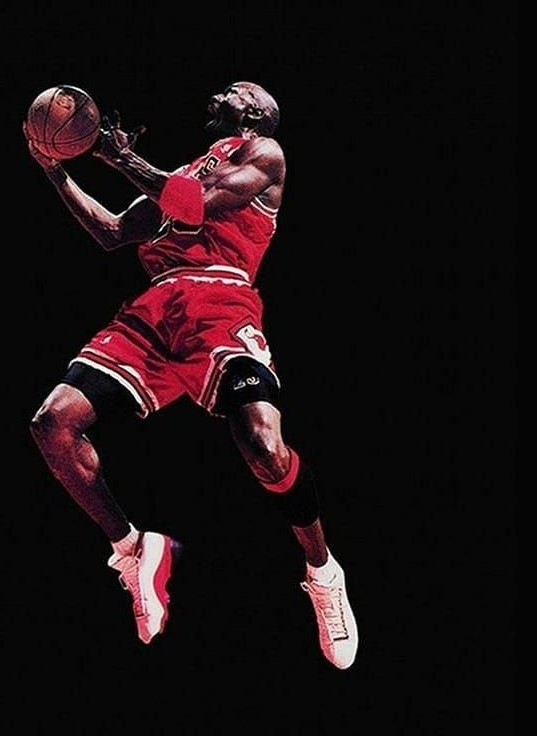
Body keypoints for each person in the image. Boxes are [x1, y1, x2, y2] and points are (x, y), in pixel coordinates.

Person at [24, 81, 358, 669]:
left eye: (243, 88)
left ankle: (323, 571)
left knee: (263, 446)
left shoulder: (264, 154)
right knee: (53, 424)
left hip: (221, 302)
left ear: (259, 113)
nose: (229, 89)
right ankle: (132, 549)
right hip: (155, 308)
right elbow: (111, 232)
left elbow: (195, 204)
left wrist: (120, 159)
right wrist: (54, 170)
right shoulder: (176, 172)